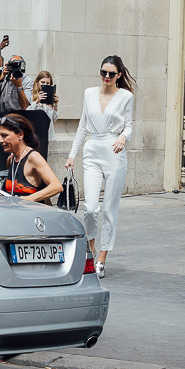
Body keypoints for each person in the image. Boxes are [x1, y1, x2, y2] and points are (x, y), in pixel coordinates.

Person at [65, 55, 136, 279]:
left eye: (111, 74)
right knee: (92, 207)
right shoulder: (88, 93)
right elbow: (82, 126)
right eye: (103, 72)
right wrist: (71, 155)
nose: (106, 77)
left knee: (109, 209)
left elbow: (129, 126)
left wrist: (123, 137)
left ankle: (102, 258)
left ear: (119, 75)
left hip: (114, 152)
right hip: (92, 150)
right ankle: (91, 249)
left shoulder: (126, 96)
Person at [0, 114, 63, 204]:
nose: (0, 140)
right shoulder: (11, 159)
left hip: (33, 214)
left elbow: (56, 186)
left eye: (4, 135)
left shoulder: (33, 157)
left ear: (20, 135)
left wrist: (30, 199)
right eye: (0, 136)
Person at [28, 70, 59, 141]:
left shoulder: (50, 97)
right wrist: (36, 101)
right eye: (42, 82)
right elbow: (28, 114)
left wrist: (55, 105)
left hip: (48, 135)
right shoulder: (31, 95)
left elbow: (54, 119)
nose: (45, 85)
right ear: (37, 82)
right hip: (35, 135)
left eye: (47, 83)